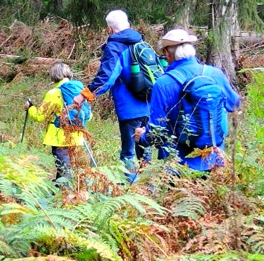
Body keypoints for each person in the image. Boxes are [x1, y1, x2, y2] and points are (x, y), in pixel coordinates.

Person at [133, 29, 241, 173]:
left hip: (177, 166)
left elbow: (156, 131)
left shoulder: (164, 83)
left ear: (167, 53)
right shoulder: (215, 74)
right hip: (215, 160)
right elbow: (235, 104)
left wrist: (142, 137)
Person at [71, 10, 150, 181]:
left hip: (130, 109)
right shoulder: (141, 43)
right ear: (128, 24)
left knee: (128, 153)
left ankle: (132, 193)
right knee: (145, 147)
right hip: (149, 104)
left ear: (109, 29)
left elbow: (106, 79)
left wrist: (84, 95)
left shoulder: (115, 46)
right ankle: (150, 188)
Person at [26, 63, 89, 183]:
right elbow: (88, 115)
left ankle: (66, 193)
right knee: (67, 168)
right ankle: (61, 191)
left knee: (64, 169)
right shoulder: (80, 91)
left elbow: (40, 116)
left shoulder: (53, 93)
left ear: (53, 76)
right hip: (76, 136)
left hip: (59, 137)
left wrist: (30, 108)